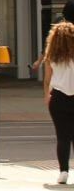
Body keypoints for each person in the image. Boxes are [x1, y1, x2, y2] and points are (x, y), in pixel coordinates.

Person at [43, 20, 74, 184]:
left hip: (58, 97)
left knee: (62, 136)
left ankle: (63, 172)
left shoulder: (51, 56)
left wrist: (46, 96)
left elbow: (47, 80)